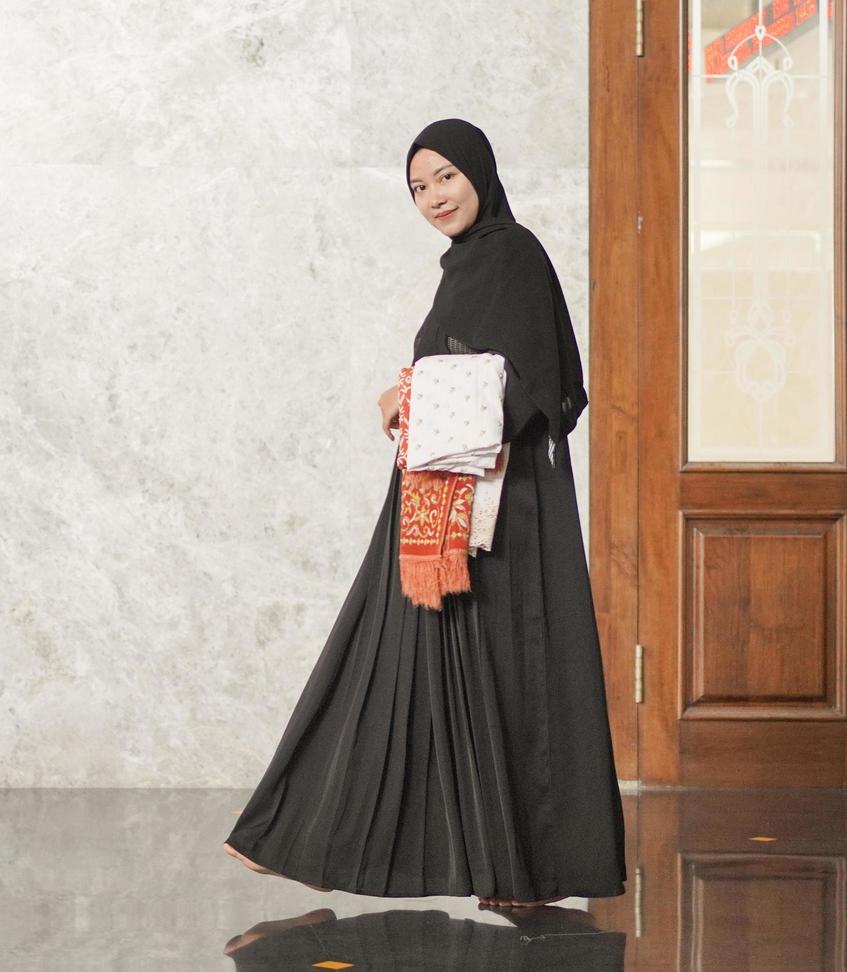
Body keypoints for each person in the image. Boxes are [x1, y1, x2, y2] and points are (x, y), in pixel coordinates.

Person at [221, 118, 626, 908]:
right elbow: (474, 371)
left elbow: (525, 385)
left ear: (478, 171)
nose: (434, 196)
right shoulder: (468, 267)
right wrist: (415, 393)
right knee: (405, 661)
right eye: (418, 187)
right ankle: (307, 835)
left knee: (485, 669)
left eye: (444, 176)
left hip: (500, 511)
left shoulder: (512, 255)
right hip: (444, 499)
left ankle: (497, 870)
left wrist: (403, 394)